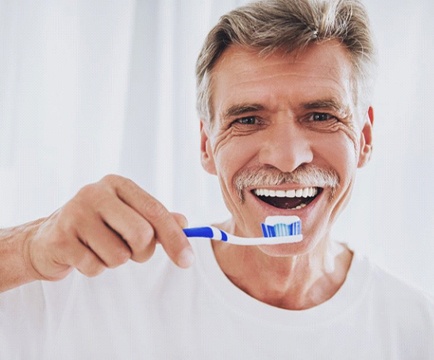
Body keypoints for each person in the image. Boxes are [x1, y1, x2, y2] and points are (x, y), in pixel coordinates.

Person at [1, 0, 433, 358]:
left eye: (320, 116)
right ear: (207, 145)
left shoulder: (416, 331)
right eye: (247, 119)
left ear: (366, 138)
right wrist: (26, 250)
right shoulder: (91, 283)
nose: (286, 158)